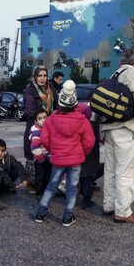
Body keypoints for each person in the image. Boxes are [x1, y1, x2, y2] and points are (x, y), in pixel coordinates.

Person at [35, 80, 95, 227]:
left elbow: (44, 139)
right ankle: (67, 217)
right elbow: (89, 142)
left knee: (52, 185)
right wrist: (83, 153)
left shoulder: (50, 120)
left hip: (58, 159)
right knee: (72, 187)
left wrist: (53, 150)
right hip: (75, 160)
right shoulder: (83, 121)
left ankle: (40, 213)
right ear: (75, 103)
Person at [100, 48, 134, 223]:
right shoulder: (133, 74)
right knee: (126, 170)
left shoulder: (114, 74)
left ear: (121, 62)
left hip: (109, 129)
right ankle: (123, 211)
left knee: (111, 169)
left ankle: (109, 205)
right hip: (126, 129)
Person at [23, 66, 58, 191]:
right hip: (36, 126)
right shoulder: (29, 91)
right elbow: (30, 111)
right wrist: (45, 118)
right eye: (40, 76)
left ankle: (46, 184)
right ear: (35, 77)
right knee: (35, 157)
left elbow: (57, 104)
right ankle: (33, 184)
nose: (42, 79)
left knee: (48, 156)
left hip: (51, 128)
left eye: (44, 75)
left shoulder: (51, 89)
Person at [30, 108, 51, 199]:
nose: (43, 120)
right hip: (40, 158)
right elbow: (34, 147)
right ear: (35, 121)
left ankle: (45, 191)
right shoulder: (36, 132)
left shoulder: (48, 129)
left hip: (49, 157)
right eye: (40, 119)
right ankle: (39, 192)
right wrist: (41, 158)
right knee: (40, 176)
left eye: (45, 117)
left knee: (48, 175)